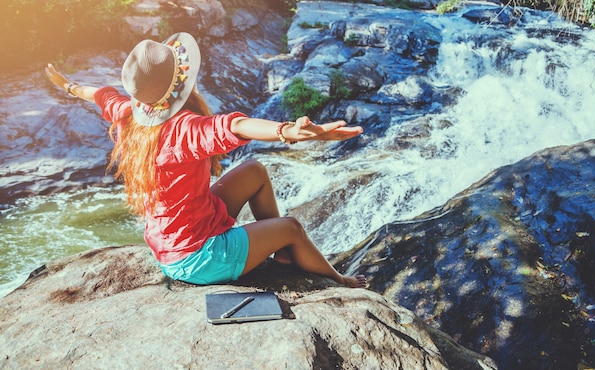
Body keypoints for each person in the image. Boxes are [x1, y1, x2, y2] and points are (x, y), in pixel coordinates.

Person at [45, 32, 366, 288]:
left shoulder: (129, 114)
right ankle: (339, 281)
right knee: (292, 227)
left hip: (177, 237)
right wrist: (288, 131)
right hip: (197, 257)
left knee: (254, 170)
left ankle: (281, 252)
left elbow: (100, 93)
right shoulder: (182, 129)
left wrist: (69, 86)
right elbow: (236, 126)